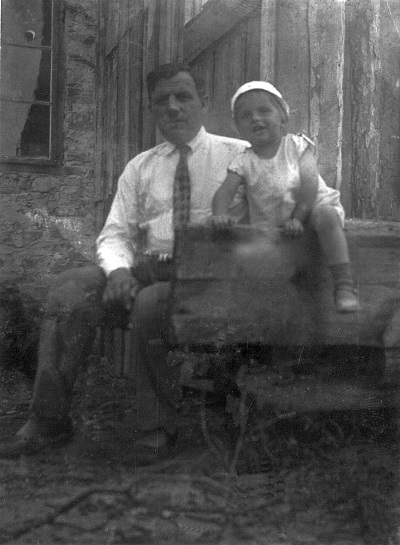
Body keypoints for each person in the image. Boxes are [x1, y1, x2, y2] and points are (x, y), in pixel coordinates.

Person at [0, 63, 249, 461]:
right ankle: (48, 421)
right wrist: (117, 271)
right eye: (161, 101)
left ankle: (156, 429)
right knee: (69, 290)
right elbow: (115, 232)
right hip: (147, 270)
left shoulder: (237, 157)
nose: (173, 107)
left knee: (150, 303)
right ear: (152, 109)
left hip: (206, 280)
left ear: (204, 102)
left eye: (183, 97)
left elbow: (279, 201)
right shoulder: (141, 167)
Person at [212, 81, 360, 313]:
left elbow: (309, 184)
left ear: (283, 118)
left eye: (264, 111)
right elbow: (223, 193)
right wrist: (219, 215)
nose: (255, 119)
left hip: (309, 209)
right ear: (238, 128)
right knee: (258, 257)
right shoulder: (243, 161)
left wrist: (298, 218)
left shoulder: (297, 146)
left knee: (327, 216)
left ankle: (344, 286)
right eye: (246, 116)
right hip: (276, 224)